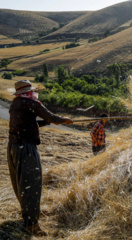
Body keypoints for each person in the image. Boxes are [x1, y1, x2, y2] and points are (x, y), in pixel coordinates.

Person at [7, 80, 73, 236]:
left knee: (20, 182)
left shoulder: (15, 103)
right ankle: (31, 224)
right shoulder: (30, 103)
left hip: (13, 147)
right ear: (29, 92)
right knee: (32, 184)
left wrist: (48, 122)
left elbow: (29, 122)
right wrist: (64, 120)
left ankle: (27, 214)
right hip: (26, 148)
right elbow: (51, 116)